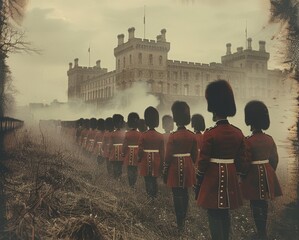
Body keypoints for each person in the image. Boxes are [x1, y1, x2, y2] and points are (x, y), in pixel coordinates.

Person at [195, 79, 247, 240]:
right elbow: (241, 160)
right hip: (230, 176)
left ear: (213, 109)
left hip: (212, 177)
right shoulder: (238, 133)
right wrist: (236, 174)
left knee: (214, 214)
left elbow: (203, 161)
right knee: (225, 213)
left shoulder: (210, 133)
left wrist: (198, 179)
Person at [242, 100, 282, 240]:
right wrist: (269, 172)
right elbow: (274, 159)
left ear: (250, 122)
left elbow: (245, 162)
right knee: (263, 202)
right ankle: (262, 231)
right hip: (266, 172)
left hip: (252, 175)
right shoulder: (269, 139)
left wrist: (243, 175)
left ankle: (260, 233)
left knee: (255, 203)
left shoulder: (248, 140)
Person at [163, 101, 198, 232]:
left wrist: (165, 169)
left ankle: (180, 223)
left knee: (177, 193)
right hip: (188, 166)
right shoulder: (192, 135)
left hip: (175, 167)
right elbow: (195, 155)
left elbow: (167, 156)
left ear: (176, 119)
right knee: (185, 193)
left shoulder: (173, 136)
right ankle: (183, 217)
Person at [138, 106, 164, 201]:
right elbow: (162, 152)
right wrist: (162, 163)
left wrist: (139, 159)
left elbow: (140, 150)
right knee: (154, 179)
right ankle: (154, 196)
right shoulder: (160, 136)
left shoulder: (143, 135)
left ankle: (149, 197)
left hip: (145, 160)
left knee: (147, 180)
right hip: (157, 160)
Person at [122, 112, 141, 188]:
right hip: (137, 153)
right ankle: (134, 183)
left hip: (129, 153)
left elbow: (125, 145)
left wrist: (123, 153)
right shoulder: (140, 134)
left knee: (129, 169)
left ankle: (131, 185)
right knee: (135, 169)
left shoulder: (127, 134)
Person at [108, 114, 126, 180]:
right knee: (120, 165)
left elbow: (110, 144)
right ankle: (119, 177)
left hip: (114, 151)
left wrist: (109, 151)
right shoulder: (124, 133)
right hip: (121, 150)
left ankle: (116, 178)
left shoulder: (112, 133)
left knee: (115, 165)